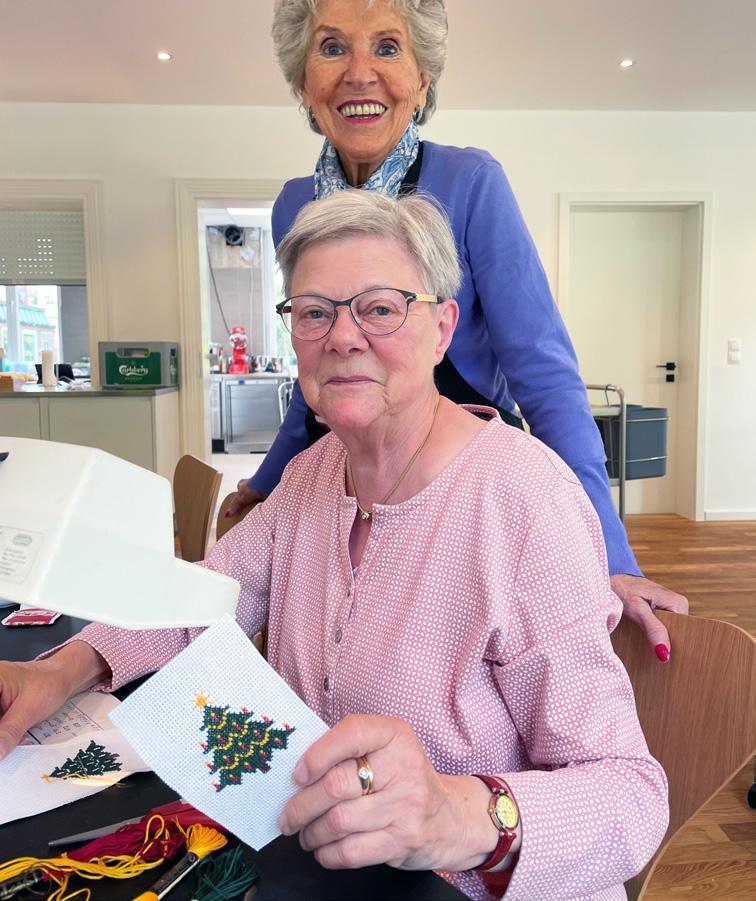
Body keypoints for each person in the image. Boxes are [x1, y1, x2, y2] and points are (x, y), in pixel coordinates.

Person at [0, 192, 667, 900]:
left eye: (380, 308)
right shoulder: (312, 476)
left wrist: (453, 814)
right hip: (317, 871)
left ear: (442, 328)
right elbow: (197, 605)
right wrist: (59, 672)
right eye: (315, 312)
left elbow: (630, 797)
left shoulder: (528, 501)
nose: (343, 337)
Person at [226, 0, 688, 657]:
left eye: (387, 47)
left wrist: (609, 555)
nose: (359, 72)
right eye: (332, 47)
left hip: (465, 477)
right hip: (348, 475)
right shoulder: (293, 205)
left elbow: (544, 375)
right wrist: (266, 484)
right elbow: (320, 377)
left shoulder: (471, 183)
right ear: (303, 80)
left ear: (422, 79)